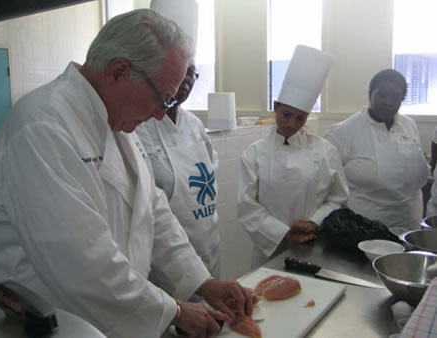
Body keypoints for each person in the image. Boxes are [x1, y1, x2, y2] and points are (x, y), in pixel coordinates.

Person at [0, 9, 252, 337]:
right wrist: (174, 309)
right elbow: (82, 266)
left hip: (106, 321)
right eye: (162, 98)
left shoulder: (116, 124)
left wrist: (203, 282)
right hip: (48, 323)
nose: (160, 115)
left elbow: (154, 212)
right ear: (118, 71)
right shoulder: (41, 128)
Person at [238, 45, 349, 268]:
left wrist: (314, 222)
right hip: (269, 249)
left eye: (300, 118)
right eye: (287, 114)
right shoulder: (254, 154)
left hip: (314, 246)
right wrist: (284, 233)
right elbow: (247, 206)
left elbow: (338, 198)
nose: (292, 124)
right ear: (276, 107)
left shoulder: (325, 151)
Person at [136, 63, 220, 283]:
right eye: (181, 71)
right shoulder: (137, 126)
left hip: (208, 241)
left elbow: (211, 171)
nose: (187, 80)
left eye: (192, 73)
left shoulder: (194, 124)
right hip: (164, 253)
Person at [325, 69, 428, 231]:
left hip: (409, 224)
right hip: (364, 229)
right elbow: (326, 182)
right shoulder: (344, 131)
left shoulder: (409, 126)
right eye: (382, 95)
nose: (388, 102)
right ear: (370, 94)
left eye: (396, 98)